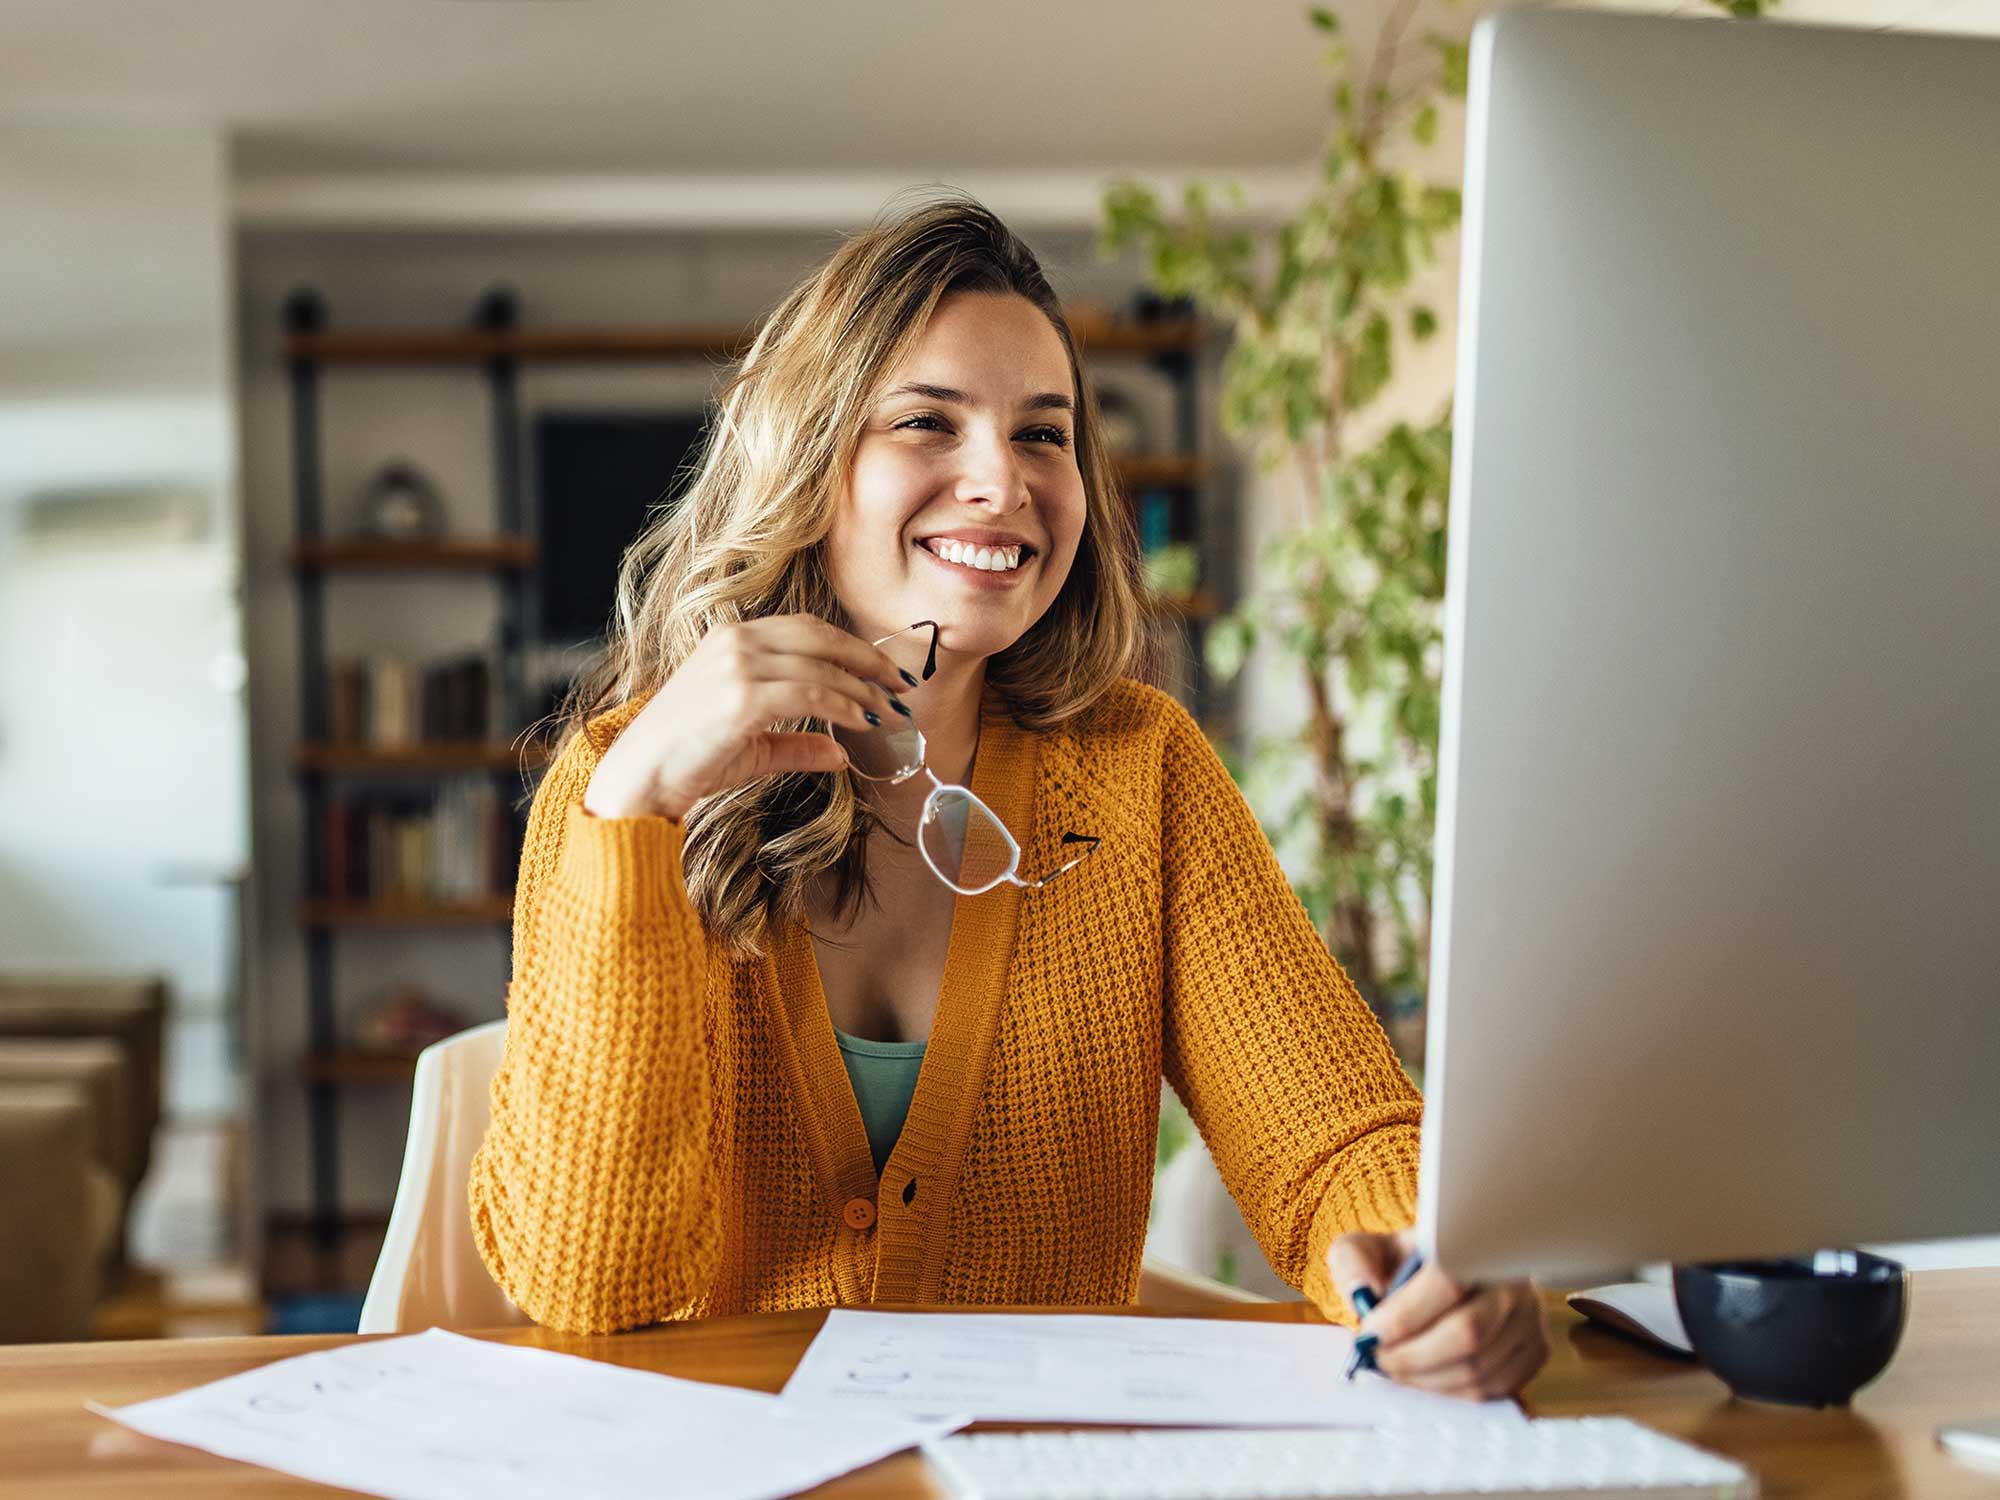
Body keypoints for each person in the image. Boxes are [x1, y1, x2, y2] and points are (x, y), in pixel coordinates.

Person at [470, 192, 1548, 1399]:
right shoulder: (619, 786)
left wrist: (1429, 1271)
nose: (1003, 481)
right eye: (927, 422)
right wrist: (640, 821)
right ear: (809, 465)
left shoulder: (1141, 771)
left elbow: (1332, 1141)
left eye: (1044, 434)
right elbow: (590, 1287)